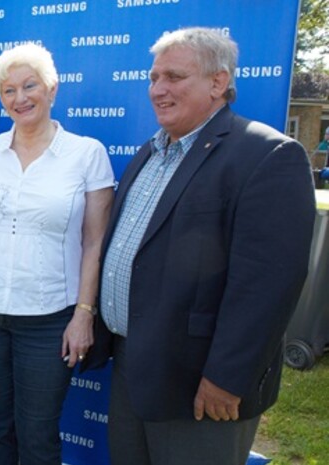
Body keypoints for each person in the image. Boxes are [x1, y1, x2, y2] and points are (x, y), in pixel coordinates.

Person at [86, 27, 315, 465]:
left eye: (173, 77)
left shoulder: (266, 155)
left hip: (201, 382)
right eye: (153, 78)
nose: (158, 90)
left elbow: (268, 284)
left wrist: (227, 378)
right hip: (135, 364)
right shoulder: (150, 153)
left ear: (218, 82)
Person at [0, 43, 114, 464]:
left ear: (52, 89)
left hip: (50, 319)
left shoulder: (87, 154)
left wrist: (85, 313)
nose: (20, 98)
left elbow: (94, 243)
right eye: (8, 90)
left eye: (30, 86)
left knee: (38, 433)